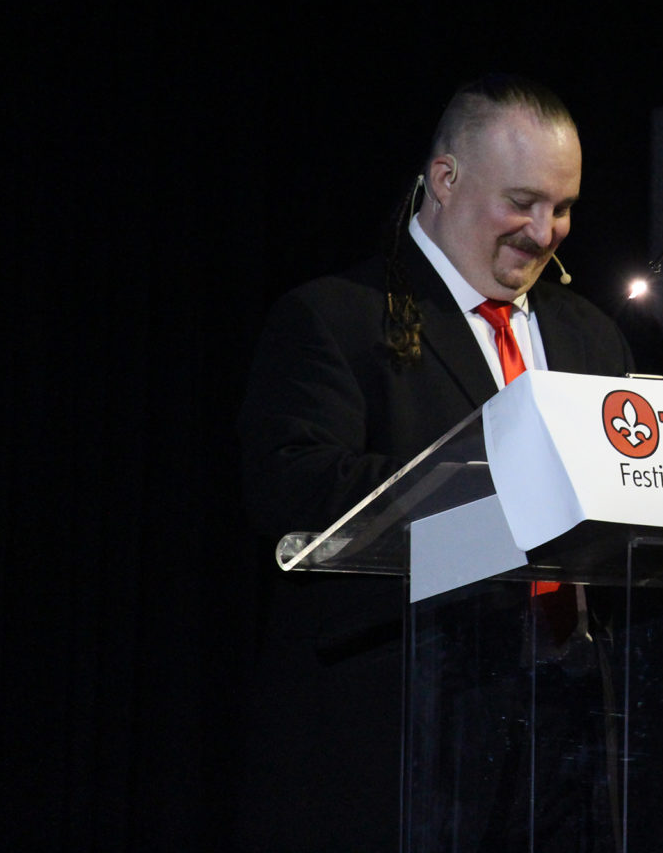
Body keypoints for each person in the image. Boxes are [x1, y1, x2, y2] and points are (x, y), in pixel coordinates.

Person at [235, 74, 634, 852]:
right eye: (523, 202)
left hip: (567, 746)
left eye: (563, 207)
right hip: (401, 747)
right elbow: (294, 491)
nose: (545, 232)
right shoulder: (336, 318)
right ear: (445, 178)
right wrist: (509, 512)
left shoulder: (592, 337)